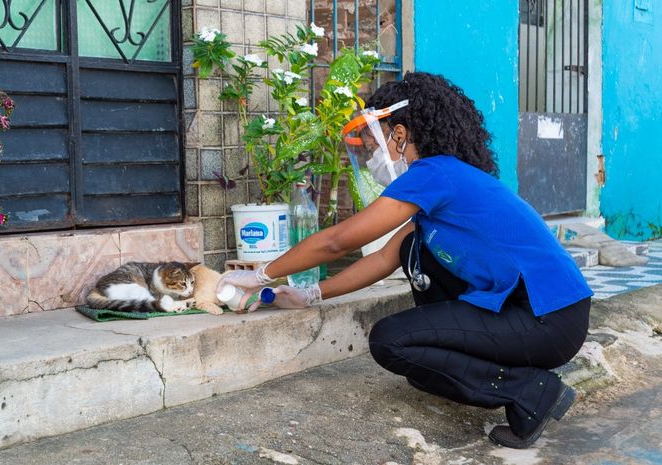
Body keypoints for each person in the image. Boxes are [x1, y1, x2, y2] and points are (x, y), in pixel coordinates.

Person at [217, 71, 592, 449]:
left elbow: (337, 241)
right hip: (542, 315)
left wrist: (262, 274)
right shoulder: (441, 184)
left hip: (547, 317)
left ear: (398, 135)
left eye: (371, 141)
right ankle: (523, 383)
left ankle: (530, 392)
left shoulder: (434, 172)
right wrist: (310, 293)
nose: (368, 153)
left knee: (391, 341)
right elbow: (384, 257)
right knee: (421, 350)